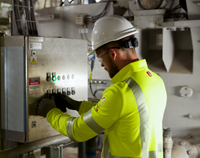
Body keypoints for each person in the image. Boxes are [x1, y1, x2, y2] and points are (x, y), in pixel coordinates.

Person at [37, 15, 167, 158]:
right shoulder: (155, 81)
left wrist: (50, 112)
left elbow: (77, 131)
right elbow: (116, 112)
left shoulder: (120, 92)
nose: (101, 64)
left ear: (113, 53)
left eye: (100, 57)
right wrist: (77, 105)